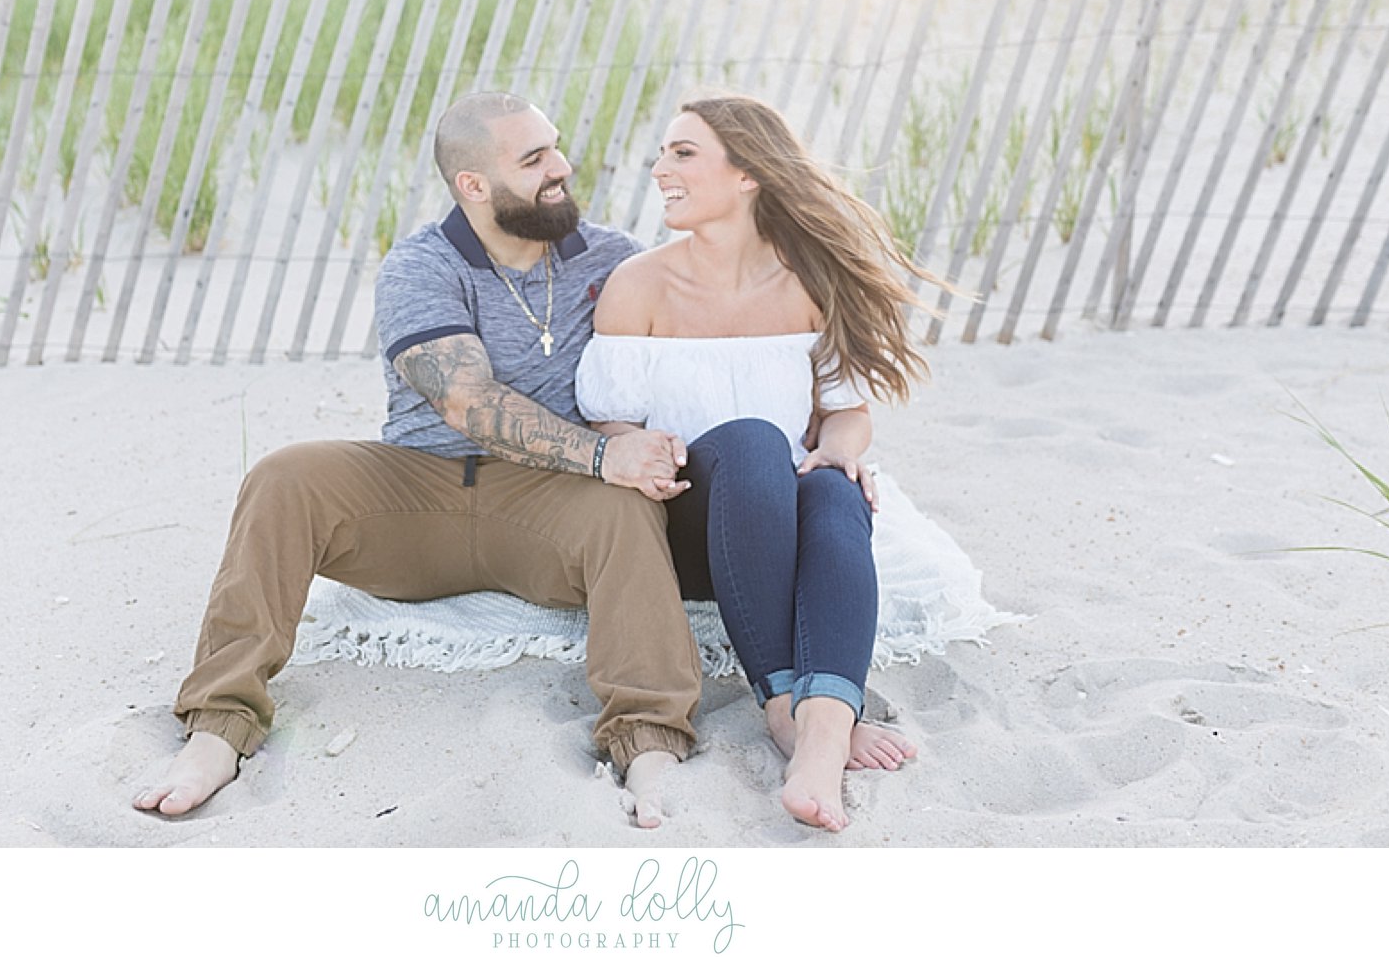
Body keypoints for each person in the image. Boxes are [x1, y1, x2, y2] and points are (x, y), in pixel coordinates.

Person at [134, 92, 701, 827]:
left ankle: (649, 737)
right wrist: (603, 452)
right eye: (533, 160)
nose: (561, 168)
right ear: (472, 184)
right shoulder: (419, 266)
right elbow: (466, 401)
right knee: (284, 474)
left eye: (555, 147)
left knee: (626, 505)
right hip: (418, 496)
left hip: (550, 507)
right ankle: (219, 724)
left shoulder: (614, 258)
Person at [576, 94, 929, 832]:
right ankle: (779, 703)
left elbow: (847, 410)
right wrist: (639, 448)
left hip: (787, 515)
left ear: (747, 175)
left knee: (836, 491)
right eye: (662, 152)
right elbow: (609, 418)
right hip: (688, 520)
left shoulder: (805, 282)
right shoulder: (640, 285)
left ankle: (823, 733)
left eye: (682, 153)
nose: (659, 169)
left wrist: (838, 449)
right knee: (751, 441)